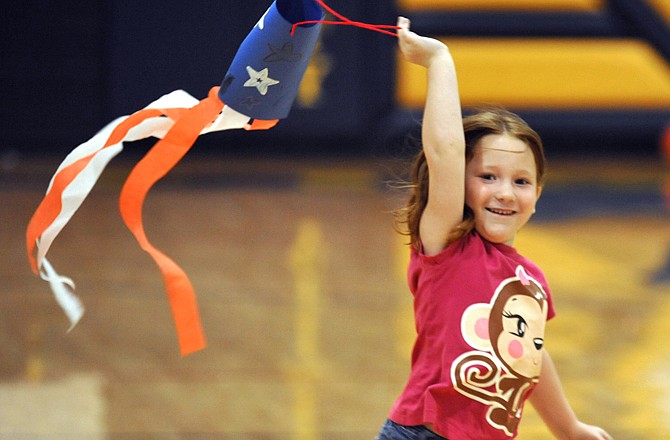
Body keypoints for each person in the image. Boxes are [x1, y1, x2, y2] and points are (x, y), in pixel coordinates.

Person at [377, 17, 613, 440]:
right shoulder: (448, 246)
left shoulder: (532, 280)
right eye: (488, 176)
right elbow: (446, 150)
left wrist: (569, 428)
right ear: (460, 184)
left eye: (521, 181)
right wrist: (438, 59)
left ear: (537, 194)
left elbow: (529, 357)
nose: (505, 192)